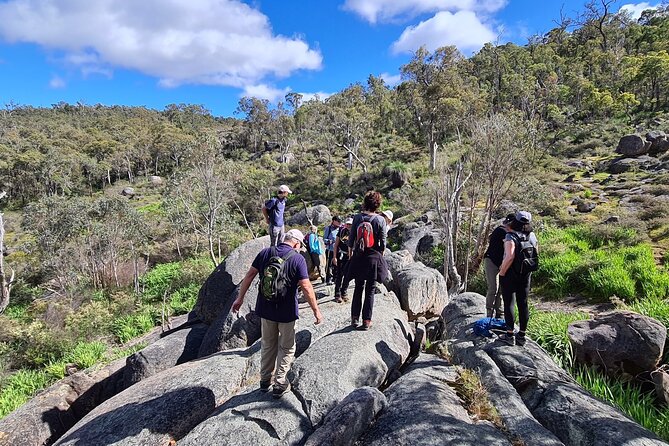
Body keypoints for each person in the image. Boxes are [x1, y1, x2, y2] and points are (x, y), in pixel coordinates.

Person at [232, 229, 323, 397]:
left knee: (267, 344)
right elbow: (306, 286)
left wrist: (240, 298)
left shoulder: (265, 253)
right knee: (287, 347)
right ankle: (280, 383)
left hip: (265, 309)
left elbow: (250, 275)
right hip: (287, 312)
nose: (299, 248)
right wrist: (316, 311)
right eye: (300, 246)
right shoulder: (297, 259)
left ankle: (265, 380)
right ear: (296, 243)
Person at [346, 191, 388, 330]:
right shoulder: (380, 220)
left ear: (365, 203)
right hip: (373, 258)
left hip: (359, 256)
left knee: (358, 288)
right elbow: (383, 242)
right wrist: (380, 255)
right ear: (377, 204)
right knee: (370, 290)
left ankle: (354, 319)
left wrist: (351, 255)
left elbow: (351, 239)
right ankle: (366, 321)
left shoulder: (358, 218)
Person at [498, 211, 539, 347]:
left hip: (510, 274)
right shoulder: (532, 235)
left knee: (509, 302)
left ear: (515, 221)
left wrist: (502, 272)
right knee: (523, 303)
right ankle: (521, 335)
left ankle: (509, 335)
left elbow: (509, 257)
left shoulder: (510, 236)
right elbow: (536, 253)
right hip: (526, 274)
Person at [483, 214, 515, 319]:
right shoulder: (502, 231)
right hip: (491, 261)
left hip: (502, 262)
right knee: (493, 288)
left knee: (501, 289)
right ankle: (489, 313)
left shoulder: (509, 233)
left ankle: (499, 313)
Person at [332, 217, 353, 302]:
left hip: (350, 257)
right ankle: (337, 294)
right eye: (347, 224)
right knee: (339, 275)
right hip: (341, 255)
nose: (348, 226)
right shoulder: (341, 232)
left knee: (348, 275)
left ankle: (344, 292)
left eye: (350, 224)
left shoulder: (354, 233)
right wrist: (334, 257)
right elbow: (336, 245)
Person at [323, 216, 342, 285]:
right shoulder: (329, 229)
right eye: (338, 221)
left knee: (337, 264)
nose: (339, 222)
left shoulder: (340, 229)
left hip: (338, 250)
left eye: (340, 221)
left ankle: (336, 278)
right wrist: (329, 241)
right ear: (333, 221)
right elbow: (324, 239)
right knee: (329, 265)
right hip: (330, 249)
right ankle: (329, 279)